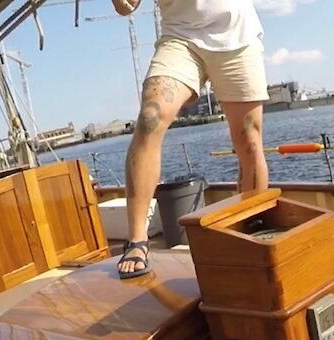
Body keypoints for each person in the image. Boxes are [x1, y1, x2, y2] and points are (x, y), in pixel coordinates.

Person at [111, 0, 270, 279]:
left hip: (237, 35)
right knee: (150, 118)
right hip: (180, 38)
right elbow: (126, 6)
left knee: (249, 139)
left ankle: (251, 228)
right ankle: (137, 241)